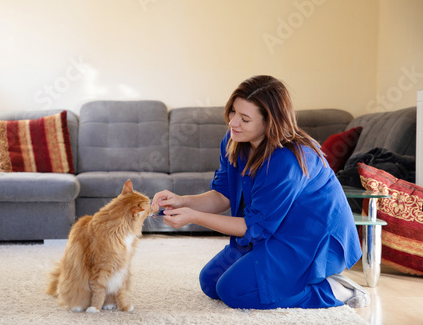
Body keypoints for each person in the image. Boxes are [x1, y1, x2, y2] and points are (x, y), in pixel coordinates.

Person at [151, 75, 369, 309]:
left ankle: (334, 290)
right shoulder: (233, 141)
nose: (233, 123)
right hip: (273, 227)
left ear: (269, 123)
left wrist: (194, 218)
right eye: (233, 111)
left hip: (312, 237)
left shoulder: (288, 159)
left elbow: (255, 227)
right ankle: (281, 276)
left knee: (232, 291)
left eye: (245, 119)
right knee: (210, 282)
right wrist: (181, 201)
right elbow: (222, 195)